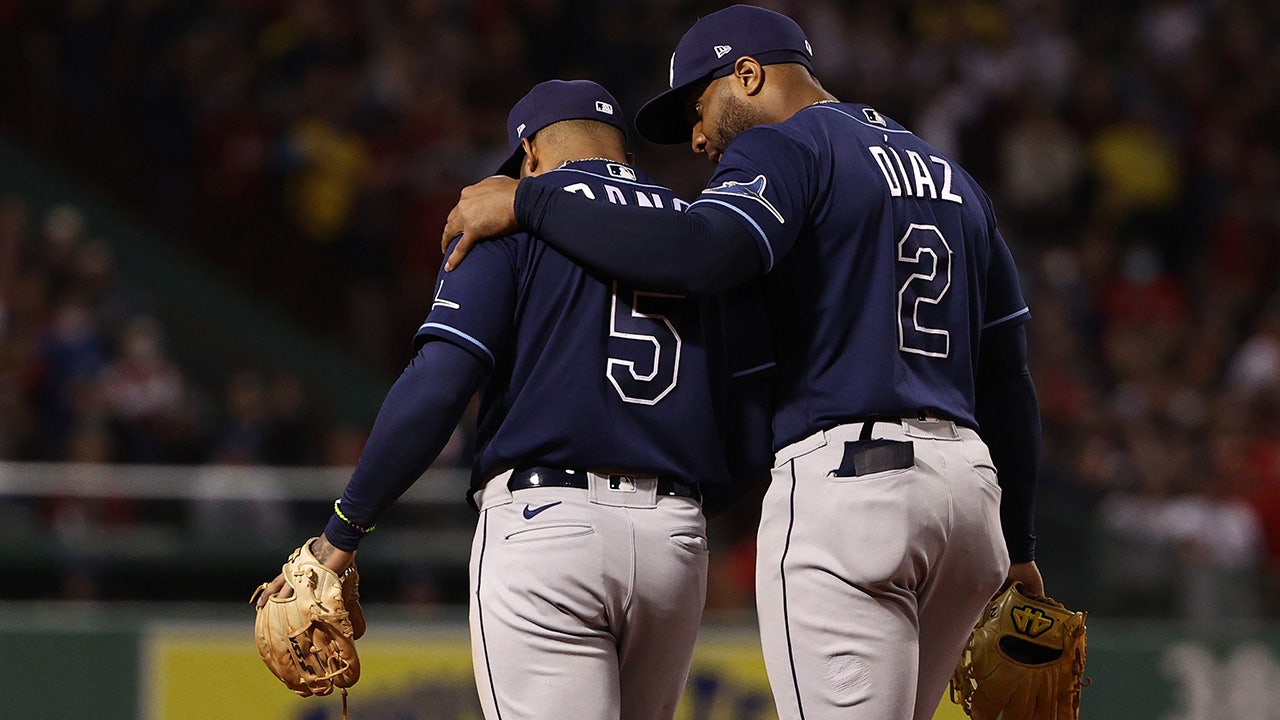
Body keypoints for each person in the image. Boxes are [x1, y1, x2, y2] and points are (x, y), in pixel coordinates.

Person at [441, 6, 1044, 720]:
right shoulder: (955, 180)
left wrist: (534, 200)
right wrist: (1021, 544)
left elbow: (700, 253)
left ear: (749, 74)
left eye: (699, 106)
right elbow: (1008, 376)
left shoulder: (785, 147)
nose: (697, 137)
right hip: (970, 501)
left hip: (853, 489)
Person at [257, 79, 772, 719]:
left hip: (547, 530)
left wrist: (344, 530)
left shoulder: (508, 211)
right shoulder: (699, 230)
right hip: (673, 538)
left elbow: (440, 380)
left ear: (529, 154)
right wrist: (688, 509)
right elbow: (755, 414)